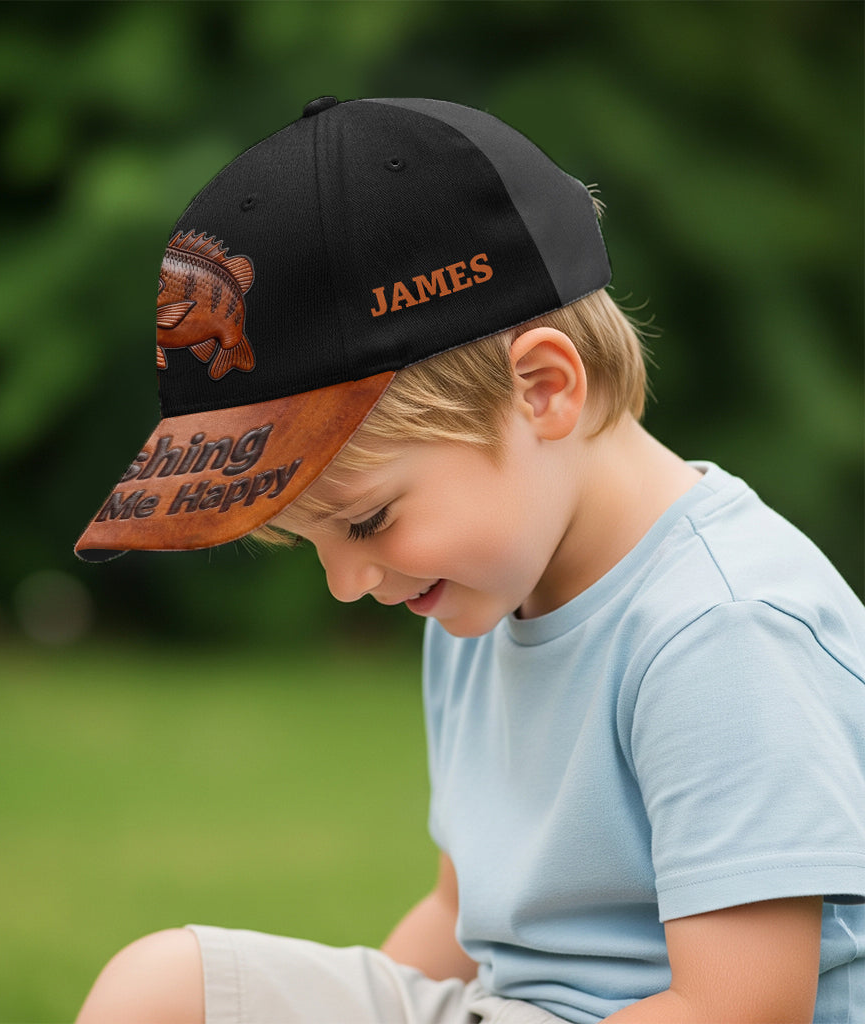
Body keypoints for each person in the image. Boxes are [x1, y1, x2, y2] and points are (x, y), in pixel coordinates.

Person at [73, 97, 865, 1023]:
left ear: (542, 390)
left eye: (366, 521)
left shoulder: (719, 628)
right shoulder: (475, 594)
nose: (345, 583)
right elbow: (461, 918)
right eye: (312, 541)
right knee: (163, 991)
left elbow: (740, 1009)